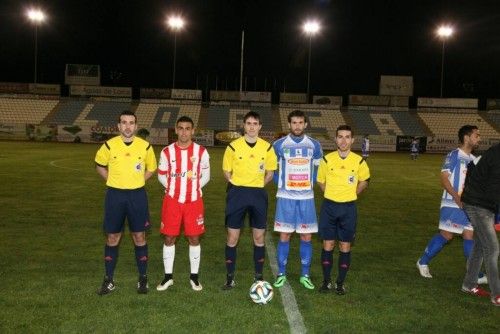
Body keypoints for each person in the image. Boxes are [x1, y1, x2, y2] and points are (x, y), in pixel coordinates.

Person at [95, 110, 157, 295]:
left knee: (139, 237)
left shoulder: (145, 147)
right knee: (113, 237)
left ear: (136, 126)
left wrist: (138, 181)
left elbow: (151, 169)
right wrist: (111, 180)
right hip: (115, 196)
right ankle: (108, 280)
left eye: (131, 123)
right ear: (119, 126)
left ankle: (143, 278)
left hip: (137, 196)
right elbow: (99, 165)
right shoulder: (109, 145)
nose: (128, 126)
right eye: (124, 122)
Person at [416, 126, 487, 284]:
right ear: (467, 138)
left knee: (469, 234)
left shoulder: (473, 160)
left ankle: (476, 273)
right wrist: (457, 198)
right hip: (453, 203)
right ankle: (423, 261)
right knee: (447, 235)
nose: (479, 138)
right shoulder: (454, 155)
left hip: (468, 205)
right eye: (477, 135)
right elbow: (444, 178)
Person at [222, 111, 277, 289]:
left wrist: (258, 184)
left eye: (255, 123)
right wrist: (236, 184)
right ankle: (230, 277)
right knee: (232, 236)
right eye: (249, 123)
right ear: (244, 126)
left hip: (258, 195)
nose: (252, 127)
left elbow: (271, 172)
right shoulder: (232, 147)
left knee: (259, 236)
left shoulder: (267, 148)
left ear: (260, 126)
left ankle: (258, 277)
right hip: (237, 194)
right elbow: (226, 171)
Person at [156, 116, 210, 292]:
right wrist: (173, 188)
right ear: (176, 130)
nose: (184, 132)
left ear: (193, 131)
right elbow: (161, 175)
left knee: (194, 238)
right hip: (172, 201)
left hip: (194, 202)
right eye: (181, 128)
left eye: (188, 128)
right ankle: (168, 277)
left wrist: (193, 189)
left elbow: (206, 176)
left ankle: (194, 277)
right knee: (169, 238)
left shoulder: (202, 152)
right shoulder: (166, 152)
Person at [272, 110, 323, 290]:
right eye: (294, 123)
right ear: (289, 125)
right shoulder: (278, 145)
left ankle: (305, 274)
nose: (297, 126)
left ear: (305, 124)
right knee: (284, 235)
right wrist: (280, 182)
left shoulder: (315, 145)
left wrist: (312, 182)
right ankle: (281, 273)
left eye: (300, 122)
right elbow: (271, 168)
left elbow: (319, 167)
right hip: (285, 198)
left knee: (306, 236)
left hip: (306, 199)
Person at [317, 125, 370, 294]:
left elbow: (364, 181)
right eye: (340, 136)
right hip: (329, 207)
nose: (344, 140)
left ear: (352, 140)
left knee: (345, 245)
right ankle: (326, 281)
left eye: (347, 137)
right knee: (328, 244)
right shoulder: (327, 160)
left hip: (348, 208)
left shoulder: (359, 161)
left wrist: (353, 193)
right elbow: (320, 181)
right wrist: (332, 193)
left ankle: (340, 282)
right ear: (335, 139)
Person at [460, 143, 500, 306]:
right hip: (479, 205)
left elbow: (472, 165)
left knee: (480, 245)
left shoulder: (494, 151)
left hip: (479, 202)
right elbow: (495, 189)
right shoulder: (497, 155)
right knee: (492, 248)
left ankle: (469, 284)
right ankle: (497, 294)